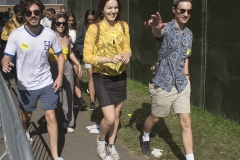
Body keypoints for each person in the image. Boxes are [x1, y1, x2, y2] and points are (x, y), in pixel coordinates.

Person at [1, 0, 64, 159]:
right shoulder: (16, 34)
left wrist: (59, 76)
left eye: (36, 12)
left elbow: (60, 55)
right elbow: (6, 56)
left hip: (46, 82)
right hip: (25, 85)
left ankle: (55, 155)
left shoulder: (49, 34)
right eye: (29, 13)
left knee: (51, 115)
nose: (33, 15)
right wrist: (5, 63)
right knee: (27, 115)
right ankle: (25, 131)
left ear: (41, 13)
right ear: (24, 15)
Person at [140, 0, 194, 160]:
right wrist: (155, 27)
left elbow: (186, 56)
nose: (185, 14)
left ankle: (190, 157)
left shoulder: (189, 33)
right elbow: (158, 33)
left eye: (189, 11)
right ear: (174, 10)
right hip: (164, 83)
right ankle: (145, 136)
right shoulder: (166, 28)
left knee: (186, 122)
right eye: (182, 10)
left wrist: (187, 75)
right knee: (156, 117)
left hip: (182, 84)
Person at [84, 0, 131, 159]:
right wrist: (109, 58)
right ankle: (101, 140)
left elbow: (127, 47)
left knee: (116, 115)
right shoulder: (94, 28)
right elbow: (87, 56)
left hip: (120, 76)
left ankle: (111, 145)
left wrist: (126, 54)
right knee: (109, 118)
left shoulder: (123, 25)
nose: (113, 11)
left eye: (116, 7)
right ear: (102, 9)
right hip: (102, 76)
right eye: (109, 8)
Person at [49, 14, 82, 133]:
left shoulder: (68, 38)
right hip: (52, 67)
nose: (61, 25)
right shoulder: (49, 37)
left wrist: (78, 64)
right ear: (54, 24)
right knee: (57, 96)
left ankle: (69, 121)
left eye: (64, 23)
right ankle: (55, 120)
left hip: (67, 66)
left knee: (68, 94)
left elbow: (70, 54)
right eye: (58, 23)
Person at [64, 11, 87, 110]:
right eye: (68, 20)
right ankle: (69, 99)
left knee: (75, 77)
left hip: (74, 53)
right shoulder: (62, 30)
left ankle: (80, 99)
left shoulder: (75, 30)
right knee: (66, 78)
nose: (70, 22)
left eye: (72, 20)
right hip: (65, 53)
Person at [75, 9, 96, 111]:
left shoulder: (101, 27)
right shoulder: (83, 27)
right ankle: (92, 101)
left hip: (101, 56)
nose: (90, 21)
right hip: (89, 56)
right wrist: (84, 52)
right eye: (88, 20)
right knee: (91, 76)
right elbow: (78, 42)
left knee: (100, 77)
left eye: (92, 19)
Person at [1, 4, 25, 80]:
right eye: (18, 15)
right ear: (15, 13)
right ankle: (16, 78)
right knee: (14, 66)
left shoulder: (26, 22)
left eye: (22, 15)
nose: (20, 16)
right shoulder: (9, 23)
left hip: (24, 48)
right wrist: (14, 39)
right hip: (14, 49)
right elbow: (3, 36)